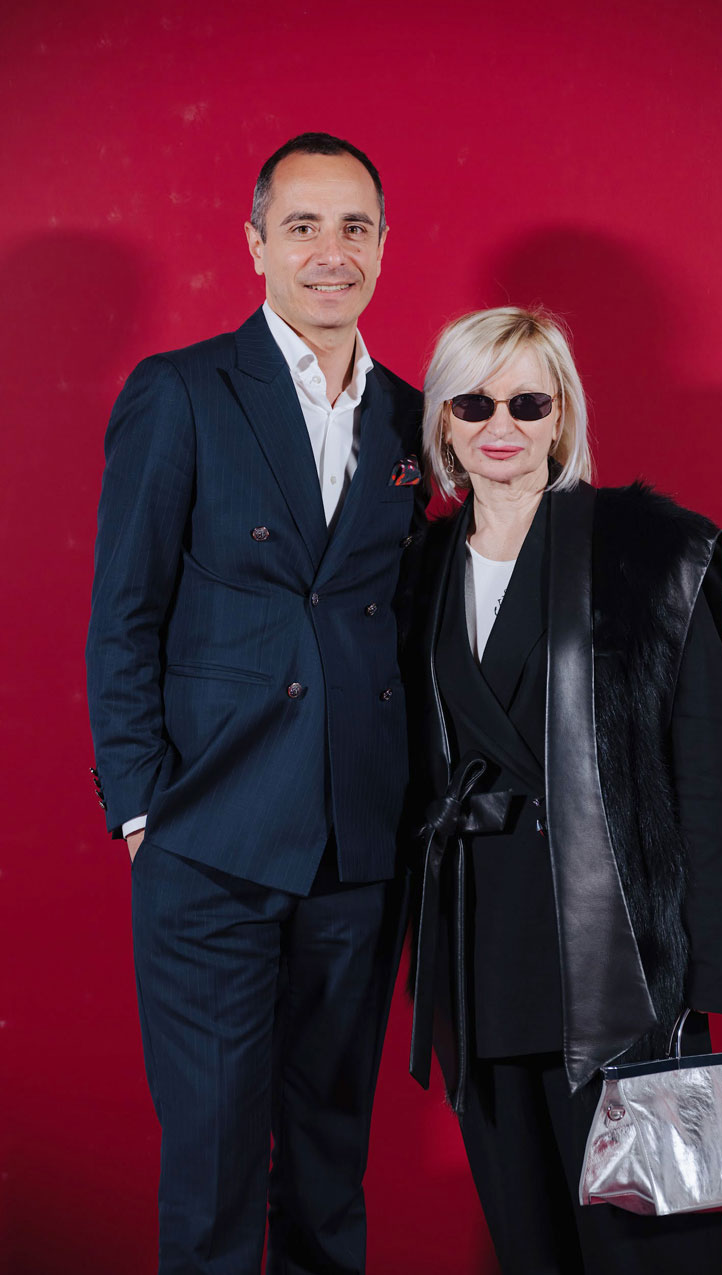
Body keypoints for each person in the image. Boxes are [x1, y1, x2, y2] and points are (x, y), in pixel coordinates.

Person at [85, 132, 424, 1275]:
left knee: (328, 1175)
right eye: (303, 227)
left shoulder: (412, 417)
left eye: (355, 228)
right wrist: (144, 813)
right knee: (217, 1179)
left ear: (383, 246)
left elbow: (404, 623)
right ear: (255, 246)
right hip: (210, 844)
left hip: (356, 853)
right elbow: (122, 615)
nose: (332, 253)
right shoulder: (181, 392)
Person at [407, 306, 722, 1274]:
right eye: (474, 403)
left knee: (647, 1251)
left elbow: (712, 770)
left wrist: (717, 979)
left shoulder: (647, 553)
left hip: (623, 969)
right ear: (442, 420)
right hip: (480, 965)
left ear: (561, 416)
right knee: (530, 1247)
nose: (502, 425)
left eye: (528, 403)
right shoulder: (415, 570)